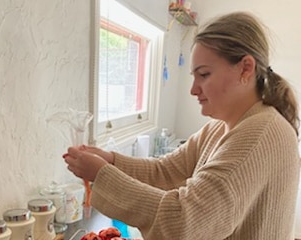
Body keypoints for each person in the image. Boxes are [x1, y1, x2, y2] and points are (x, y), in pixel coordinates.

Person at [63, 11, 300, 239]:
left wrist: (102, 174)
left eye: (204, 74)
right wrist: (110, 160)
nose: (193, 89)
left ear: (245, 68)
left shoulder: (259, 134)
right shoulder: (221, 127)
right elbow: (166, 171)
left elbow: (185, 222)